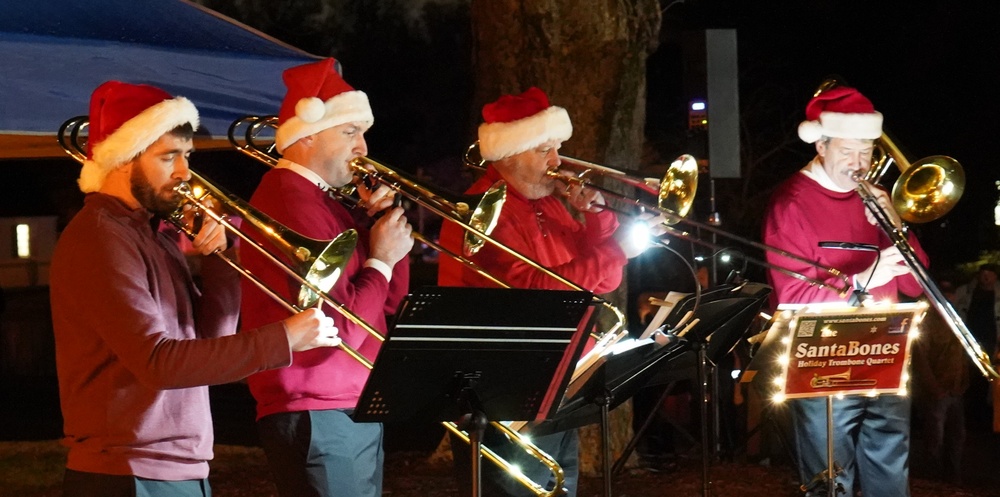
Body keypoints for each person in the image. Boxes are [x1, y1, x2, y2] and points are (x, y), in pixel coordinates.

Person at [49, 81, 341, 497]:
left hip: (179, 467)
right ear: (123, 159)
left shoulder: (157, 235)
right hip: (125, 471)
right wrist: (284, 338)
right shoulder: (100, 238)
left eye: (187, 156)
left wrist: (219, 261)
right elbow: (160, 363)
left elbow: (211, 344)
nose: (185, 173)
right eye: (169, 157)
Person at [438, 87, 656, 497]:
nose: (558, 162)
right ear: (509, 154)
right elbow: (532, 290)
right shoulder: (485, 211)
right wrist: (615, 250)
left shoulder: (550, 203)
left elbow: (603, 281)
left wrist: (596, 217)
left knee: (558, 489)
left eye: (557, 148)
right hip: (504, 388)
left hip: (558, 378)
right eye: (544, 150)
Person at [238, 58, 412, 497]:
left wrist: (386, 234)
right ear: (308, 133)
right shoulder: (292, 200)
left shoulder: (328, 203)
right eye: (350, 132)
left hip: (346, 401)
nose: (364, 148)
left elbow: (387, 309)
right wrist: (383, 259)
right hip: (318, 404)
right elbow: (345, 328)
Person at [762, 85, 929, 497]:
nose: (860, 165)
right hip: (823, 358)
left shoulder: (877, 198)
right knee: (829, 480)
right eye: (848, 152)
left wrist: (895, 221)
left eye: (867, 153)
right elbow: (792, 297)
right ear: (820, 144)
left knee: (890, 471)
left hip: (885, 351)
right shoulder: (791, 203)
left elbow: (917, 282)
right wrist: (864, 278)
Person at [910, 279, 968, 485]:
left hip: (955, 388)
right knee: (935, 435)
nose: (948, 297)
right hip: (937, 390)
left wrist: (963, 382)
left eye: (950, 293)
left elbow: (962, 354)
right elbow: (920, 360)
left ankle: (953, 475)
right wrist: (933, 388)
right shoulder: (926, 322)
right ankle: (932, 477)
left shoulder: (957, 319)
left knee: (957, 435)